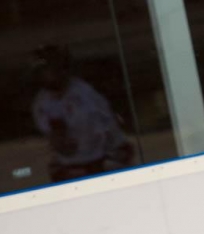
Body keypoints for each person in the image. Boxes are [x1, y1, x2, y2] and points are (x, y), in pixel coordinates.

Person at [31, 44, 133, 182]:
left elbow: (109, 126)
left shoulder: (86, 94)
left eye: (50, 69)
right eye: (43, 71)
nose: (47, 75)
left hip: (102, 160)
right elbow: (61, 143)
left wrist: (120, 149)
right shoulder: (43, 103)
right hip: (72, 166)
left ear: (62, 69)